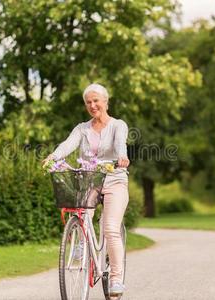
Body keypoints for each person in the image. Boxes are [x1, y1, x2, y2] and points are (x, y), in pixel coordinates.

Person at [43, 83, 130, 296]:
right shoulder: (82, 129)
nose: (92, 105)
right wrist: (53, 156)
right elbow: (67, 144)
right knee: (82, 216)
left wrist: (122, 157)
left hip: (114, 179)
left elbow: (120, 144)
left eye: (96, 101)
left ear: (105, 102)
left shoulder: (118, 125)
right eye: (88, 102)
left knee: (110, 228)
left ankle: (116, 279)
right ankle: (81, 244)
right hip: (90, 179)